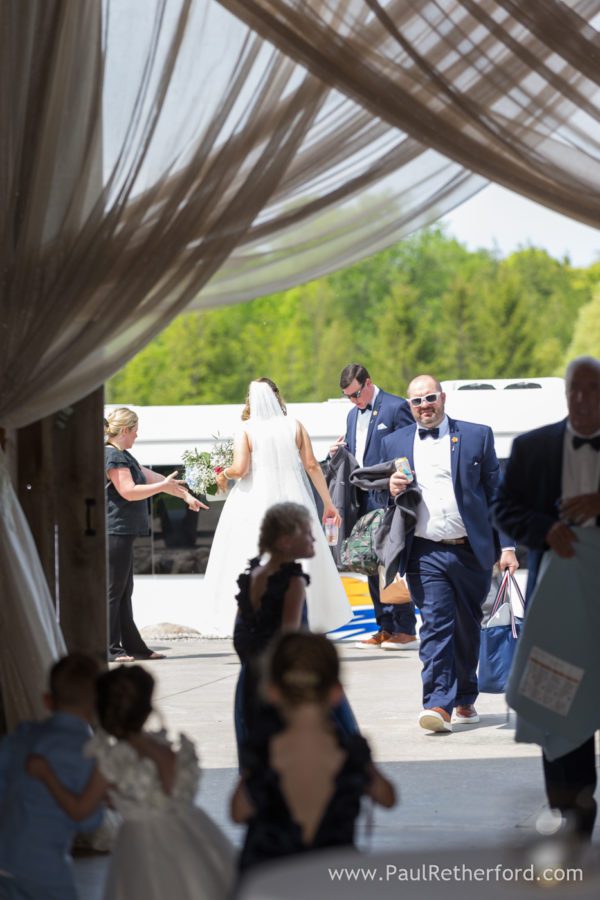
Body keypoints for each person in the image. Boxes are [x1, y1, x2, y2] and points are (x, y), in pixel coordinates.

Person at [490, 356, 600, 839]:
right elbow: (503, 508)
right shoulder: (533, 448)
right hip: (558, 606)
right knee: (557, 698)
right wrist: (543, 530)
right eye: (575, 390)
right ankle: (570, 810)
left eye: (593, 390)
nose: (582, 399)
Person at [27, 664, 235, 900]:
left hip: (143, 846)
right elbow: (170, 793)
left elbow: (79, 810)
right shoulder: (166, 749)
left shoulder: (112, 761)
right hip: (192, 835)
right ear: (148, 710)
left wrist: (47, 775)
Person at [381, 374, 518, 732]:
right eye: (417, 401)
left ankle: (464, 696)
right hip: (424, 552)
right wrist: (390, 487)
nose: (424, 406)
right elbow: (382, 498)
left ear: (442, 398)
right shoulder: (394, 441)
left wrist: (507, 546)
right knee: (436, 625)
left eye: (430, 398)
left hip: (471, 551)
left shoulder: (477, 435)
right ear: (408, 406)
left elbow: (496, 494)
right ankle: (438, 704)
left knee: (467, 627)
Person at [231, 631, 396, 876]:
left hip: (271, 880)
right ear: (336, 692)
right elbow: (387, 797)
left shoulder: (263, 748)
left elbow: (238, 811)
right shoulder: (350, 750)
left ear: (272, 691)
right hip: (332, 878)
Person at [201, 378, 352, 637]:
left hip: (254, 503)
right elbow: (313, 466)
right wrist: (328, 503)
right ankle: (304, 619)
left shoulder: (246, 430)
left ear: (250, 398)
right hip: (294, 500)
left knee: (249, 557)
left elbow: (240, 469)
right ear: (276, 396)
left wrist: (222, 474)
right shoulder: (295, 425)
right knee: (302, 561)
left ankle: (257, 620)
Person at [233, 502, 358, 759]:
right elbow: (289, 638)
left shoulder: (253, 576)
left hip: (250, 679)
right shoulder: (293, 581)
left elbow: (240, 634)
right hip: (287, 679)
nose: (314, 538)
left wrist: (251, 664)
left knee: (258, 755)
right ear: (285, 540)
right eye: (307, 533)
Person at [105, 407, 206, 662]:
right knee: (114, 591)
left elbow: (155, 477)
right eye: (136, 430)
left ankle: (133, 647)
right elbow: (128, 490)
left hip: (123, 532)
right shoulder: (113, 457)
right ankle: (109, 648)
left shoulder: (125, 456)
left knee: (123, 591)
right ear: (126, 430)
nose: (137, 435)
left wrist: (185, 495)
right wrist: (160, 487)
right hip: (115, 530)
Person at [0, 654, 103, 900]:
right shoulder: (87, 751)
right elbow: (88, 822)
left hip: (4, 857)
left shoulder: (21, 736)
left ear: (47, 700)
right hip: (45, 868)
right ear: (98, 706)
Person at [330, 364, 416, 650]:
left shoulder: (395, 407)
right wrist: (338, 453)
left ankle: (404, 628)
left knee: (391, 559)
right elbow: (357, 456)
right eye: (348, 397)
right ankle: (384, 626)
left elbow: (408, 449)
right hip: (364, 498)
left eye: (355, 394)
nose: (354, 401)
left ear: (368, 383)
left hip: (389, 496)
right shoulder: (352, 414)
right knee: (370, 561)